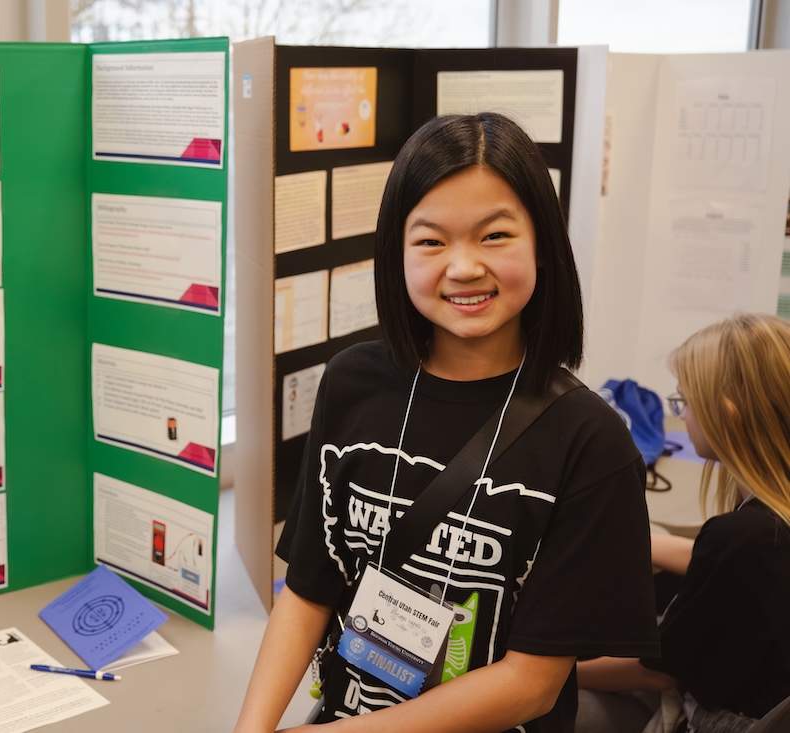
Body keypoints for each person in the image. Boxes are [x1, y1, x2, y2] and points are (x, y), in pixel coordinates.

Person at [234, 111, 659, 733]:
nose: (463, 267)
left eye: (494, 236)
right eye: (431, 241)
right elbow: (309, 586)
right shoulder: (353, 383)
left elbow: (531, 685)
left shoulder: (590, 442)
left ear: (541, 241)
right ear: (395, 251)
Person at [577, 312, 790, 733]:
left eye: (683, 402)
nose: (683, 415)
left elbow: (656, 673)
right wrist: (640, 540)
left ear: (727, 414)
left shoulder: (741, 537)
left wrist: (546, 671)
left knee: (552, 707)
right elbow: (730, 564)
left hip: (721, 717)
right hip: (760, 689)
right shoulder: (766, 527)